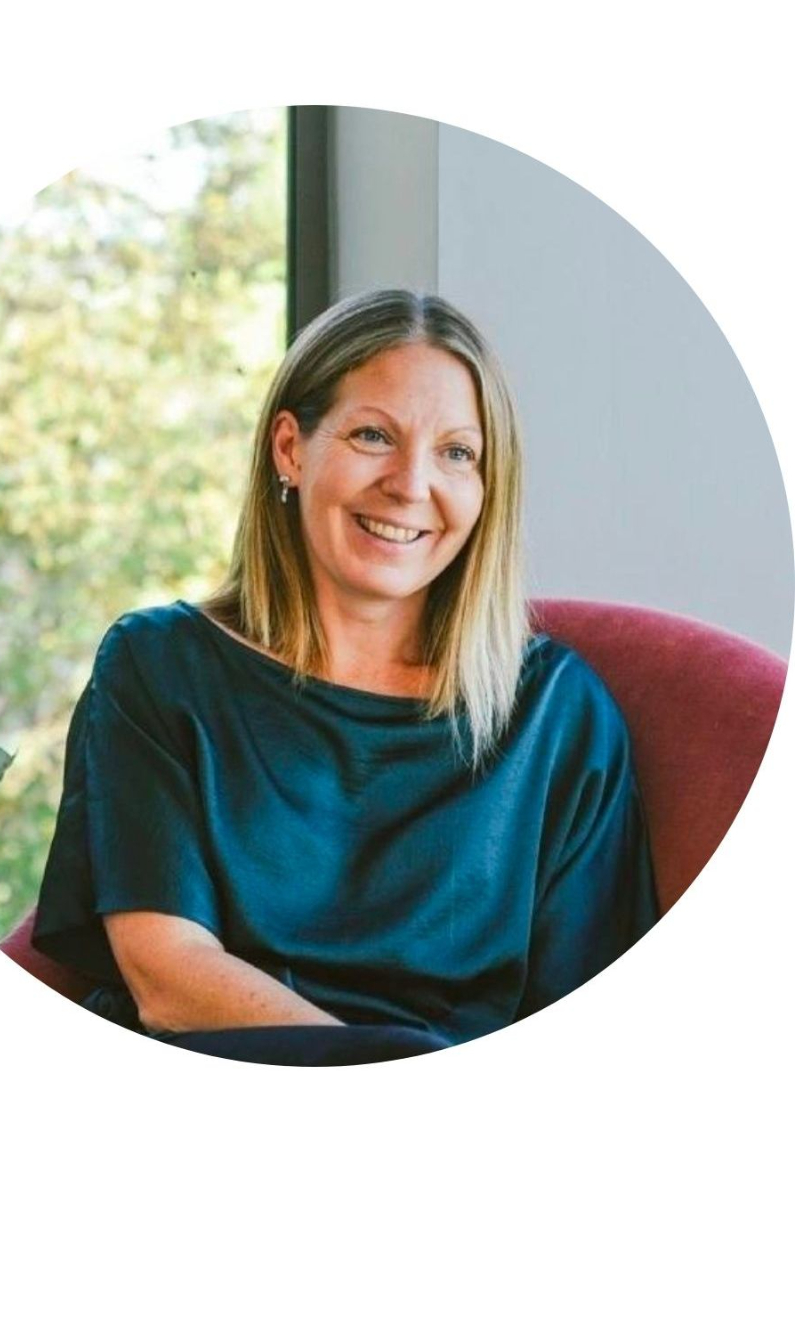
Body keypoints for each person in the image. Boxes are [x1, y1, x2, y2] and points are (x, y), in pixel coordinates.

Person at [33, 289, 659, 1065]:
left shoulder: (556, 715)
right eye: (372, 435)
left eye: (456, 453)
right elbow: (168, 977)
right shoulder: (159, 665)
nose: (410, 484)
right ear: (289, 449)